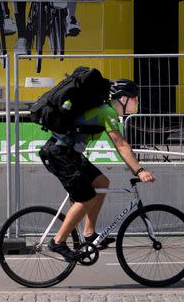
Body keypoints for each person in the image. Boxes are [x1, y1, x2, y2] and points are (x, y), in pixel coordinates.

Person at [38, 78, 156, 262]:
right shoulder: (107, 112)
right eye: (135, 98)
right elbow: (121, 144)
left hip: (69, 154)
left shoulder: (105, 110)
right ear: (123, 99)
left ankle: (89, 234)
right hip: (59, 154)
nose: (137, 102)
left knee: (102, 183)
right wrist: (139, 170)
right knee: (86, 197)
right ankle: (58, 242)